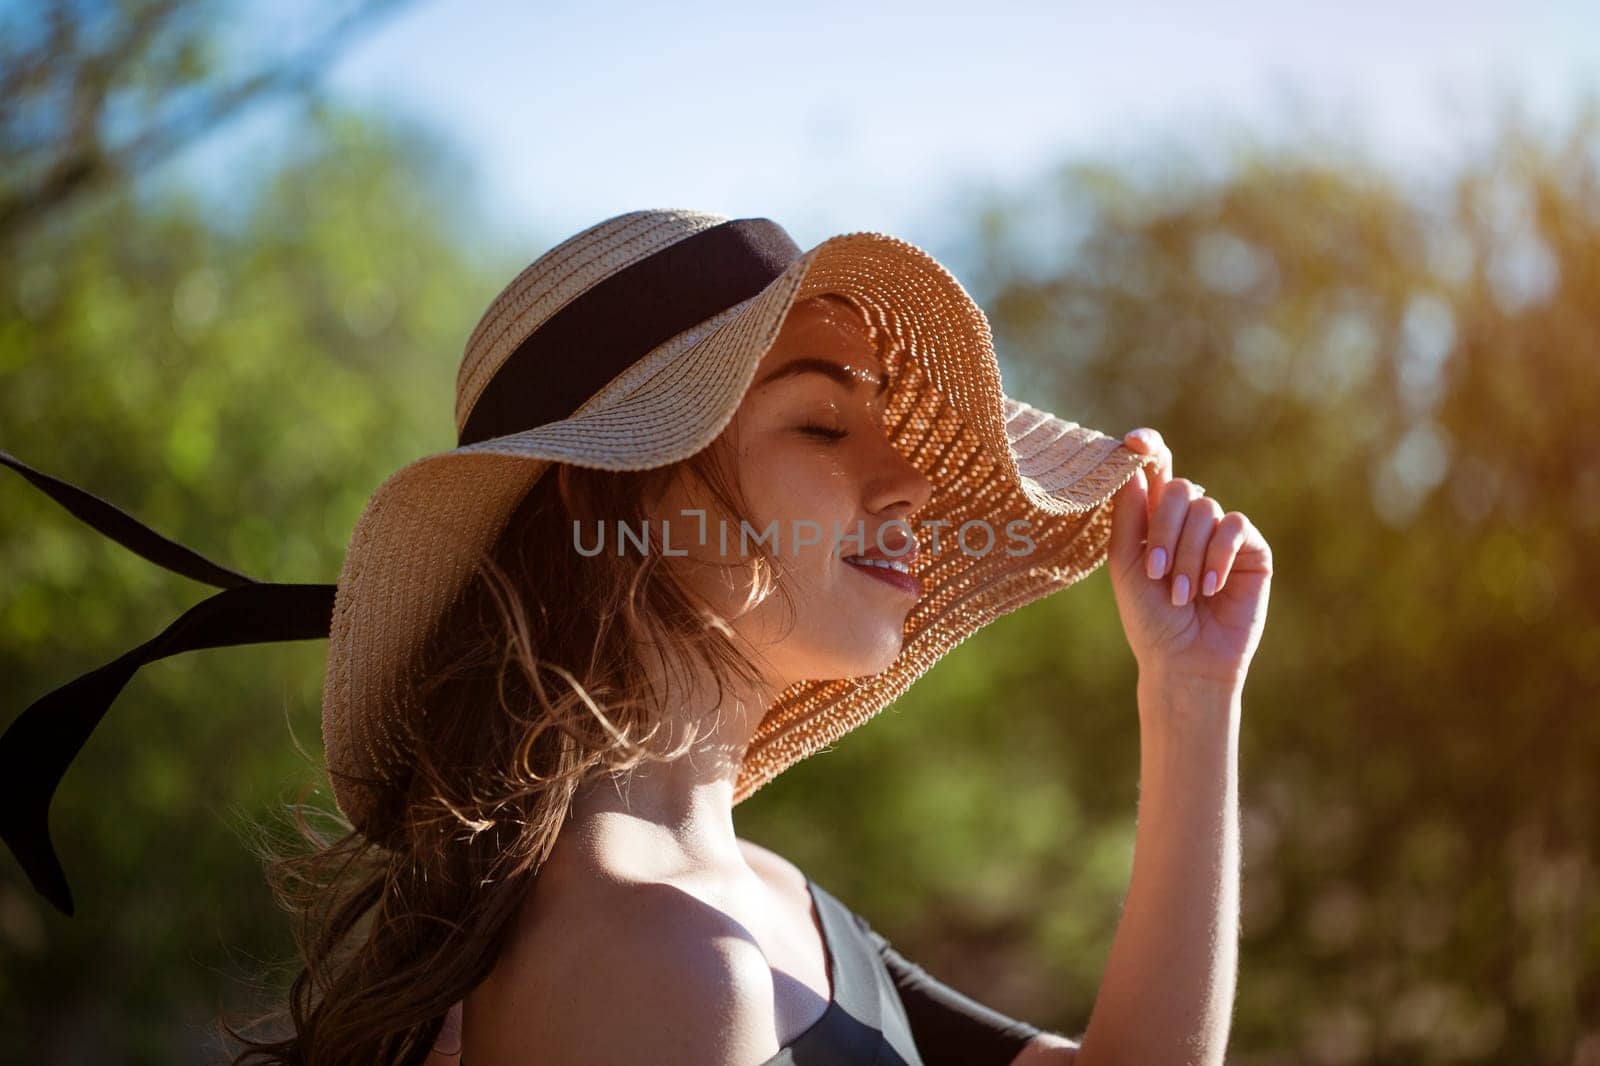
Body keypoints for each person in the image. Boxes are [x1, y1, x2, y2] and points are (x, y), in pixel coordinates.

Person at [1, 209, 1271, 1064]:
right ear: (618, 494)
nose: (912, 485)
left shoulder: (760, 906)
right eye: (823, 429)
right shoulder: (667, 959)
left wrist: (1190, 690)